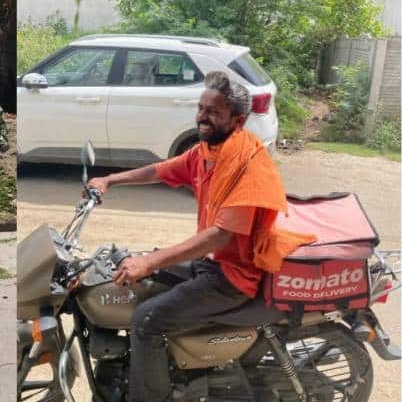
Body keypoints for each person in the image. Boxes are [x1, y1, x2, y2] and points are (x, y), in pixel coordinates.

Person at [87, 71, 314, 402]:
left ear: (238, 120)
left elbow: (219, 237)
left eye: (213, 111)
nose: (202, 116)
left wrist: (150, 261)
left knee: (146, 320)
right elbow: (160, 170)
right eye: (201, 107)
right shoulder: (205, 153)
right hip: (211, 264)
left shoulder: (248, 166)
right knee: (126, 279)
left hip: (233, 278)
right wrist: (109, 180)